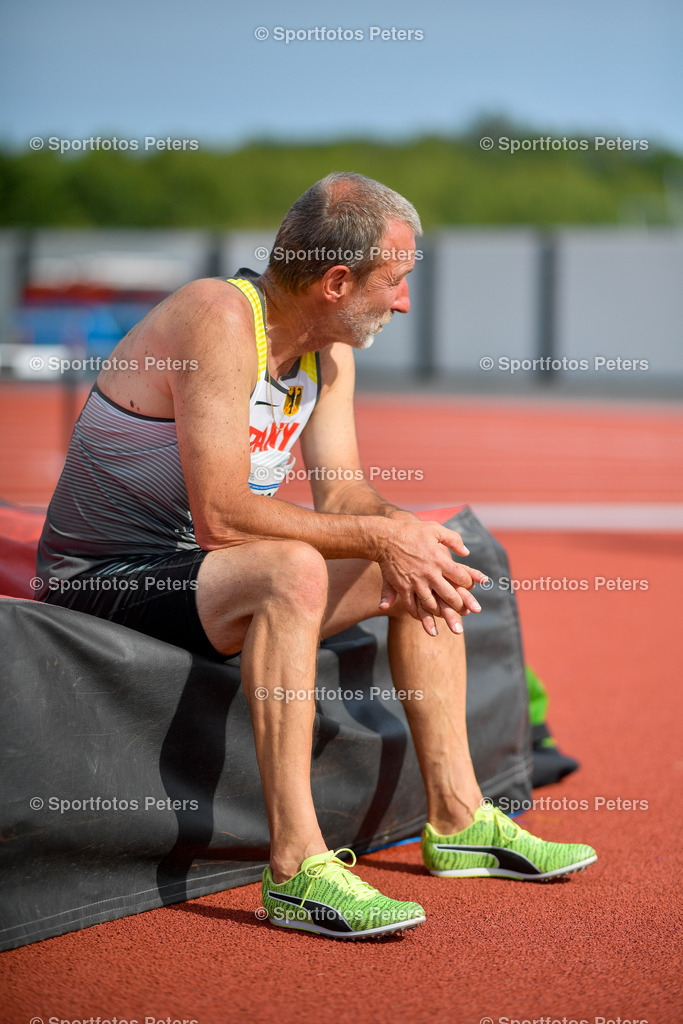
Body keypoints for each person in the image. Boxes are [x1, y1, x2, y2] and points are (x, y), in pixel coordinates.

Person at [36, 172, 597, 940]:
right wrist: (378, 537)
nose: (402, 302)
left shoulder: (328, 359)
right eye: (394, 283)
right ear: (337, 281)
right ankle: (296, 867)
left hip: (209, 582)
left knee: (421, 557)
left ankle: (461, 819)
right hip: (107, 577)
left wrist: (406, 536)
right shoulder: (217, 318)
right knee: (294, 567)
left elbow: (345, 500)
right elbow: (223, 517)